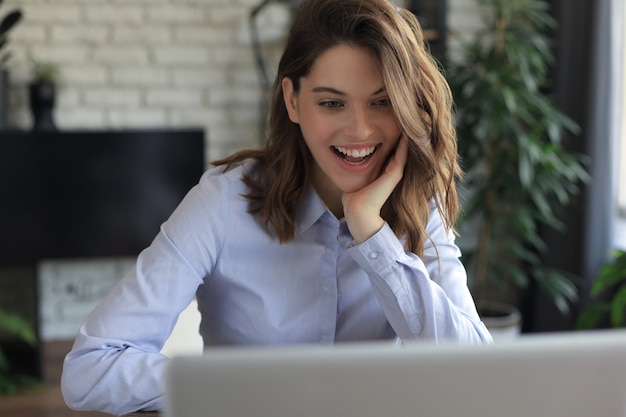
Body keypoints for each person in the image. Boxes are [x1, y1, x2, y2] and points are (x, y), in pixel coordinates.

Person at [61, 0, 492, 414]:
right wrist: (253, 391)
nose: (360, 129)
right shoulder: (225, 204)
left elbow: (476, 377)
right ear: (292, 100)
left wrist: (373, 235)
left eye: (381, 102)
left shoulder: (419, 205)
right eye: (331, 102)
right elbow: (91, 367)